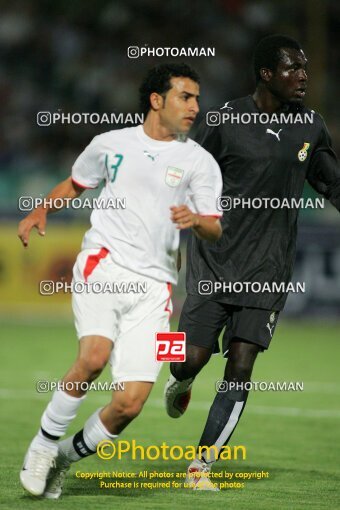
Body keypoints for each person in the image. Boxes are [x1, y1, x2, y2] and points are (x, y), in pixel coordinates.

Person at [18, 63, 223, 498]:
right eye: (185, 97)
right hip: (103, 266)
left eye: (197, 98)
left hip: (158, 289)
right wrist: (41, 209)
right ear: (156, 101)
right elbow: (76, 184)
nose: (195, 107)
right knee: (93, 358)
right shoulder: (109, 144)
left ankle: (63, 460)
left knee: (130, 404)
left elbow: (215, 226)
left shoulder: (199, 162)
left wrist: (197, 221)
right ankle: (42, 445)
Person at [164, 35, 340, 490]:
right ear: (266, 74)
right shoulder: (224, 121)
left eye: (305, 68)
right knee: (187, 361)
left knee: (241, 364)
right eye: (292, 69)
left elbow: (329, 181)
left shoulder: (311, 126)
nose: (303, 76)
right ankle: (178, 382)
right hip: (213, 264)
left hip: (268, 270)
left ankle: (201, 466)